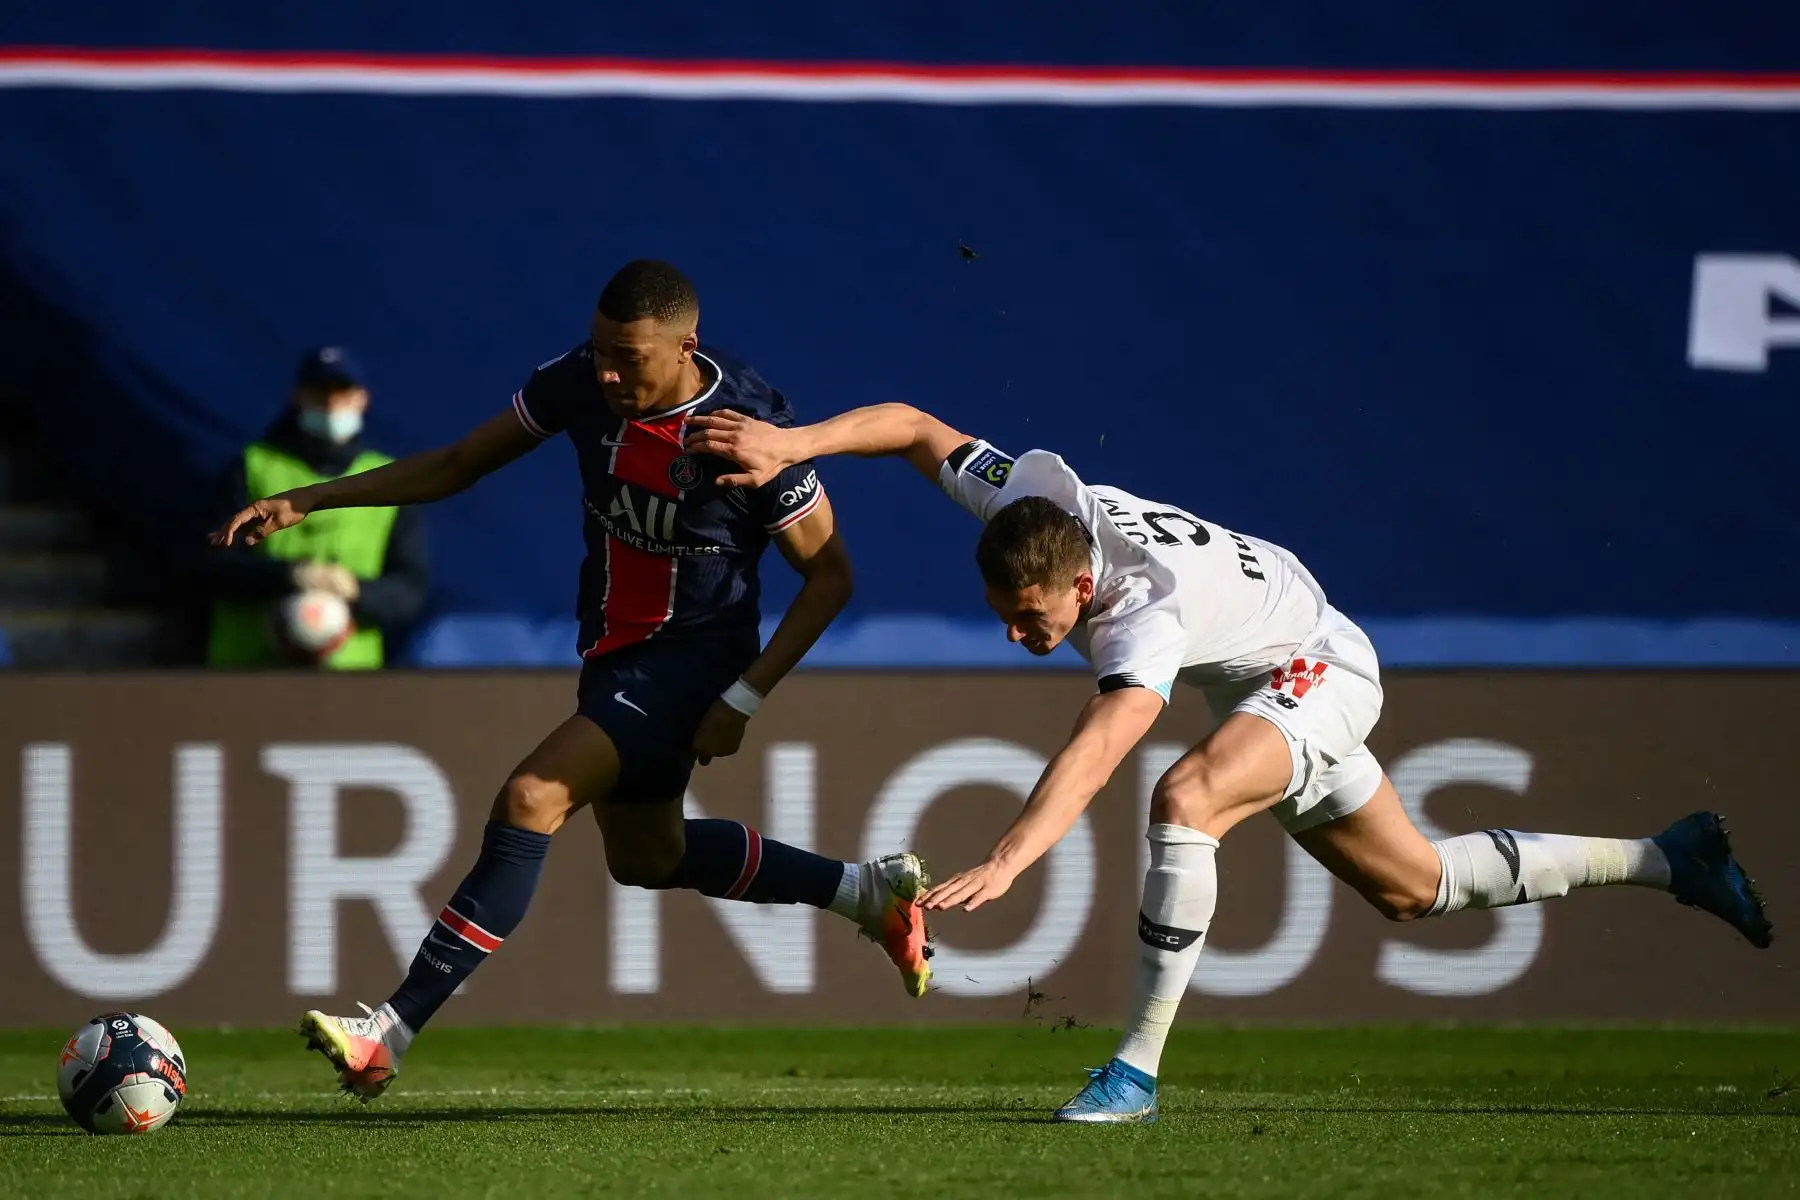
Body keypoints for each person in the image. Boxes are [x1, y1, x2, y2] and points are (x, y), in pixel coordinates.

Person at [681, 401, 1774, 1124]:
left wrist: (1014, 856)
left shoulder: (1142, 619)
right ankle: (1670, 859)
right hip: (1267, 669)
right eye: (1000, 615)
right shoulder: (1033, 511)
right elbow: (918, 429)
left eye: (1028, 619)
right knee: (1417, 889)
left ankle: (1136, 1069)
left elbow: (1101, 746)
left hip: (1320, 664)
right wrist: (795, 445)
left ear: (1077, 588)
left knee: (1185, 794)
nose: (1015, 634)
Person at [208, 262, 934, 1101]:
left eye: (627, 358)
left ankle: (389, 1031)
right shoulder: (579, 384)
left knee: (530, 799)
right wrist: (312, 501)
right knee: (648, 857)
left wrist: (744, 696)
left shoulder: (749, 433)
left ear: (685, 347)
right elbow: (455, 465)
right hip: (614, 653)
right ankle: (867, 894)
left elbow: (832, 577)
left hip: (694, 660)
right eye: (599, 353)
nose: (609, 374)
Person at [205, 347, 430, 668]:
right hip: (253, 669)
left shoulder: (389, 481)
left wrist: (355, 590)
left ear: (362, 399)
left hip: (349, 676)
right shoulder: (252, 467)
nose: (331, 404)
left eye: (342, 393)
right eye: (320, 393)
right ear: (298, 397)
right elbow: (211, 565)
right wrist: (292, 575)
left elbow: (410, 590)